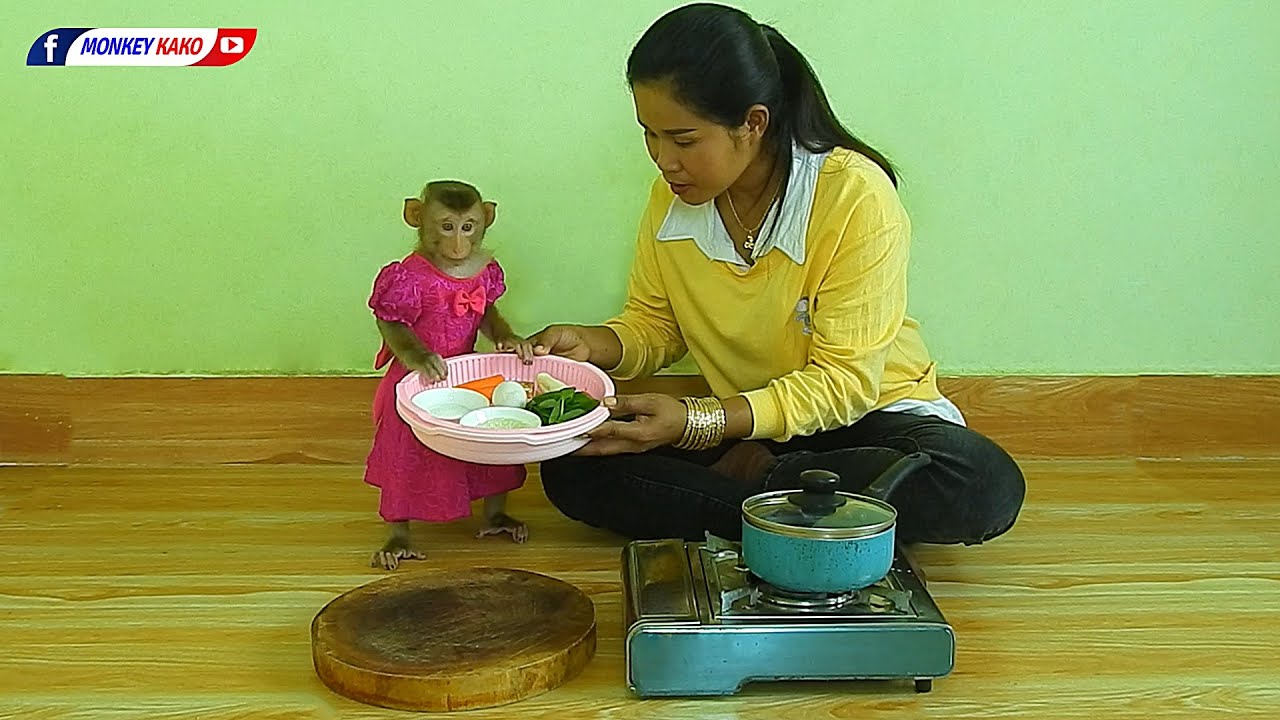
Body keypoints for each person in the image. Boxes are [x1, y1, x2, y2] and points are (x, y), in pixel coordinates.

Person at [527, 3, 1025, 545]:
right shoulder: (670, 201)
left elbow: (845, 386)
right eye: (650, 135)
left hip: (866, 425)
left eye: (684, 139)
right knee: (573, 461)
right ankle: (818, 517)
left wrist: (702, 423)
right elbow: (657, 325)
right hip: (748, 419)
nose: (662, 160)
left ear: (753, 124)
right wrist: (593, 345)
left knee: (977, 483)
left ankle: (761, 488)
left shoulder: (854, 195)